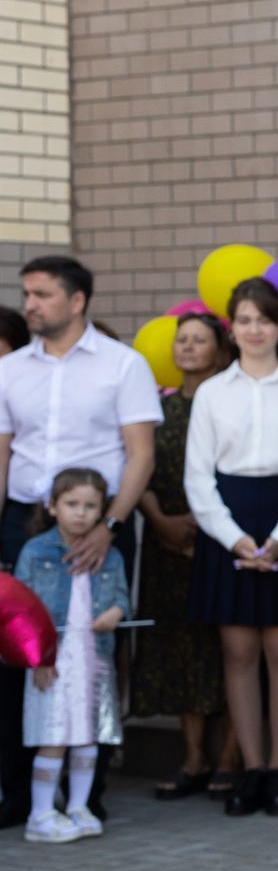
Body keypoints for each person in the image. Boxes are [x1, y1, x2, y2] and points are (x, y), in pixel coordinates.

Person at [0, 255, 161, 828]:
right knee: (17, 654)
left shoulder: (124, 364)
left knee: (95, 650)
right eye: (27, 293)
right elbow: (2, 453)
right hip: (23, 520)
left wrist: (108, 526)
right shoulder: (10, 369)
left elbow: (141, 454)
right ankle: (19, 791)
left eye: (41, 294)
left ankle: (86, 791)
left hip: (101, 520)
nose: (30, 304)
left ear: (76, 301)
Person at [185, 276, 278, 818]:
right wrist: (236, 539)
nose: (254, 330)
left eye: (264, 320)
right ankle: (250, 767)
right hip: (229, 523)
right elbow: (198, 478)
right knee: (239, 652)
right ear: (232, 328)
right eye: (244, 320)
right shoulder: (211, 392)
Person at [137, 312, 237, 800]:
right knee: (180, 648)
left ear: (220, 349)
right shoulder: (158, 409)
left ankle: (231, 759)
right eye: (182, 340)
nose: (188, 348)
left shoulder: (231, 400)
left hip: (223, 541)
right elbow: (137, 468)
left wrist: (205, 526)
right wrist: (161, 522)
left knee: (229, 649)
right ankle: (193, 757)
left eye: (199, 340)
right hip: (166, 546)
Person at [16, 467, 129, 842]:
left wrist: (115, 613)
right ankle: (40, 813)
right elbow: (21, 612)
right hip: (52, 663)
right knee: (54, 733)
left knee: (86, 734)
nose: (80, 513)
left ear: (102, 511)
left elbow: (122, 599)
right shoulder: (35, 552)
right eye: (71, 503)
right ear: (52, 506)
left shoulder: (111, 555)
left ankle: (78, 806)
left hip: (92, 661)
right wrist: (38, 657)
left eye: (90, 506)